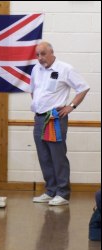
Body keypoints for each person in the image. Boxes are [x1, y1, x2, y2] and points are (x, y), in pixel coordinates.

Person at [31, 41, 90, 206]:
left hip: (54, 118)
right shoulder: (36, 69)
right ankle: (50, 190)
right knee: (44, 156)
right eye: (37, 55)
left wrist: (71, 106)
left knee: (57, 156)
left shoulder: (65, 69)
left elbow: (83, 87)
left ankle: (63, 193)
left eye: (43, 54)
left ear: (51, 53)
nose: (40, 58)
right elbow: (33, 91)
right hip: (39, 117)